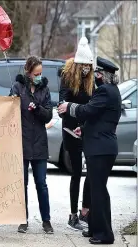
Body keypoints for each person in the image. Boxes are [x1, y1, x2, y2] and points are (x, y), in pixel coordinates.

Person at [58, 56, 121, 244]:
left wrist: (68, 106)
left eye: (97, 73)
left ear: (102, 75)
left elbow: (88, 111)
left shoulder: (105, 92)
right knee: (94, 189)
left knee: (99, 191)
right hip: (100, 146)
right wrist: (83, 129)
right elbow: (99, 119)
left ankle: (104, 234)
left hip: (101, 149)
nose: (95, 77)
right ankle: (94, 228)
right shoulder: (110, 91)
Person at [9, 56, 54, 234]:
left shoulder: (45, 89)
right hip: (22, 141)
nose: (39, 76)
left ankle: (46, 220)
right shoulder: (18, 87)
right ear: (28, 72)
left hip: (40, 144)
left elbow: (49, 115)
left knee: (41, 183)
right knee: (23, 184)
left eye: (41, 73)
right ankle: (23, 219)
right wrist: (11, 100)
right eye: (36, 73)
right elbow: (8, 111)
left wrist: (38, 109)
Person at [58, 37, 93, 231]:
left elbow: (93, 104)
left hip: (86, 128)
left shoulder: (91, 81)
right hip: (70, 129)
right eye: (84, 66)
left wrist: (75, 109)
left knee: (90, 172)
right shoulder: (68, 76)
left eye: (89, 66)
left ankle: (85, 211)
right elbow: (62, 100)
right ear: (78, 65)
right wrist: (67, 106)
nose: (87, 69)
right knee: (77, 172)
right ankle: (72, 215)